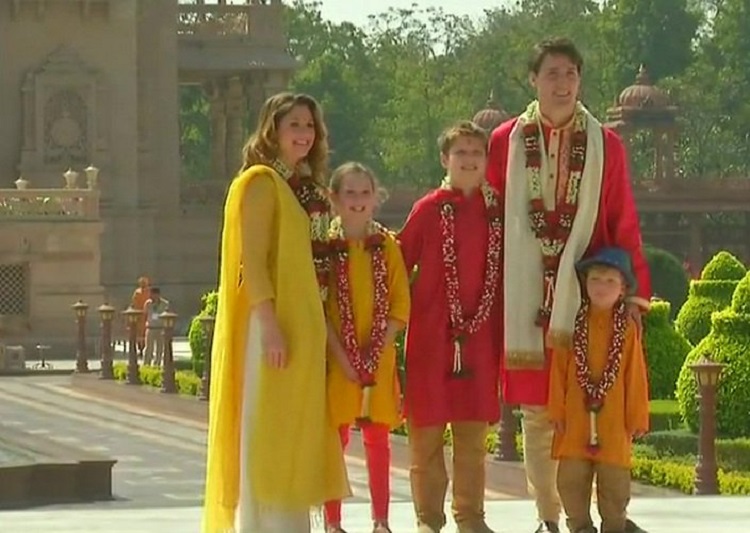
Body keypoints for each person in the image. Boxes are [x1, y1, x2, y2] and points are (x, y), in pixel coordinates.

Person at [486, 38, 652, 533]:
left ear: (580, 81)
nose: (562, 83)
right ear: (533, 80)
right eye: (552, 73)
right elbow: (493, 218)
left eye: (571, 74)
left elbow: (622, 218)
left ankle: (601, 518)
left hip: (585, 302)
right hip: (523, 294)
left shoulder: (606, 144)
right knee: (537, 414)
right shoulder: (505, 141)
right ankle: (548, 518)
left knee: (582, 414)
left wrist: (634, 296)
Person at [202, 92, 350, 533]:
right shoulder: (261, 184)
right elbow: (253, 262)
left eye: (309, 126)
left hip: (302, 326)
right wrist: (269, 326)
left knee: (295, 430)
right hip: (271, 327)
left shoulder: (306, 189)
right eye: (294, 126)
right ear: (273, 131)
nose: (303, 134)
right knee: (268, 430)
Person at [399, 121, 503, 533]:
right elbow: (397, 266)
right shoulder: (428, 209)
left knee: (472, 440)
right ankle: (428, 518)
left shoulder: (496, 213)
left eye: (477, 153)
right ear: (445, 159)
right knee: (425, 437)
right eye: (460, 153)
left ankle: (470, 517)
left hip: (478, 339)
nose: (469, 160)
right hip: (429, 339)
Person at [323, 162, 411, 533]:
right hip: (337, 358)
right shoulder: (325, 248)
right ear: (334, 199)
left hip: (379, 358)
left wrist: (378, 350)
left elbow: (400, 304)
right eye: (350, 193)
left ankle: (381, 520)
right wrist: (344, 358)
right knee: (335, 439)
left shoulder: (388, 245)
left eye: (364, 193)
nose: (357, 201)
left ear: (376, 199)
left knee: (378, 440)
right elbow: (320, 308)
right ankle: (332, 521)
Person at [548, 247, 649, 533]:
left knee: (615, 485)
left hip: (613, 420)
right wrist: (556, 409)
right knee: (570, 480)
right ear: (584, 284)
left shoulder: (627, 329)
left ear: (623, 289)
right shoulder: (572, 324)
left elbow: (635, 374)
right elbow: (558, 371)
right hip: (576, 419)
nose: (601, 287)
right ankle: (580, 528)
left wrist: (637, 416)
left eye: (610, 282)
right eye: (595, 280)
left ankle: (614, 527)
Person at [143, 287, 169, 367]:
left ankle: (156, 365)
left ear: (157, 295)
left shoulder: (165, 304)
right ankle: (146, 364)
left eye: (153, 294)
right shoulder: (148, 304)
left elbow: (168, 314)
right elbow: (145, 314)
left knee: (160, 348)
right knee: (148, 348)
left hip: (160, 328)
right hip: (150, 328)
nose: (151, 296)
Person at [130, 276, 150, 356]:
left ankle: (146, 348)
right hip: (139, 316)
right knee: (139, 334)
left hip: (147, 315)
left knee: (146, 334)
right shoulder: (137, 293)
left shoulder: (149, 292)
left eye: (144, 283)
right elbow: (134, 303)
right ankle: (140, 349)